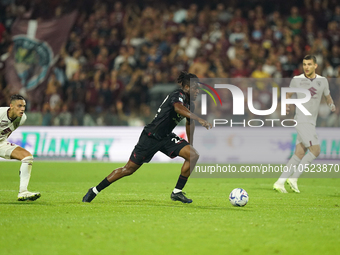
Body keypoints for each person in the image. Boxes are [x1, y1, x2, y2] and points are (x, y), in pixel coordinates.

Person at [82, 71, 212, 203]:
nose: (198, 91)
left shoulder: (191, 104)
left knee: (193, 155)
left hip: (166, 137)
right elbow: (178, 108)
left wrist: (191, 143)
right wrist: (199, 118)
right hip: (151, 136)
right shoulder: (178, 94)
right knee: (128, 169)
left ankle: (177, 192)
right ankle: (94, 190)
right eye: (196, 88)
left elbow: (189, 123)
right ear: (186, 87)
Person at [273, 55, 336, 193]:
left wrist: (331, 104)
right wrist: (286, 105)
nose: (306, 67)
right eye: (304, 64)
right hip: (302, 120)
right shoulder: (297, 80)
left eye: (309, 64)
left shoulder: (322, 81)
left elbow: (327, 96)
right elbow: (287, 94)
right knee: (316, 150)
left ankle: (280, 182)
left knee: (299, 153)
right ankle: (294, 178)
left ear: (315, 66)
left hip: (311, 121)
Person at [0, 95, 41, 201]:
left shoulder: (22, 118)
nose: (22, 108)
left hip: (1, 143)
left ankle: (23, 192)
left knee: (27, 157)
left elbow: (8, 132)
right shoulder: (1, 113)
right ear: (11, 106)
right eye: (19, 106)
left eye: (24, 106)